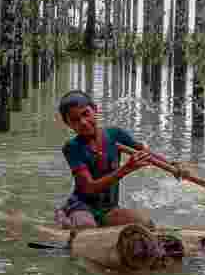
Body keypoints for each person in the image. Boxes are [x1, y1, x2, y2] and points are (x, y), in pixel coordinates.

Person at [54, 89, 155, 229]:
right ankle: (66, 214)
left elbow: (149, 155)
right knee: (86, 227)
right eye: (75, 120)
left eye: (85, 114)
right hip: (82, 206)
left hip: (109, 209)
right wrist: (126, 169)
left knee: (146, 225)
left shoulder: (116, 134)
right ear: (68, 124)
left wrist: (176, 167)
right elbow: (89, 188)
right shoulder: (72, 148)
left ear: (95, 110)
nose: (83, 122)